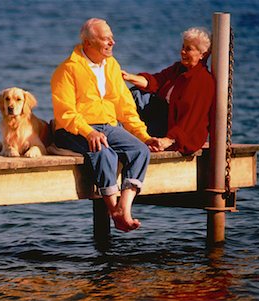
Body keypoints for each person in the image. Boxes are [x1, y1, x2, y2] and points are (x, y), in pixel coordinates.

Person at [51, 18, 160, 232]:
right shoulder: (66, 69)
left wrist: (144, 136)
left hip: (108, 126)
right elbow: (65, 112)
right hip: (72, 129)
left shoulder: (112, 65)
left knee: (139, 151)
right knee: (103, 152)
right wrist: (88, 132)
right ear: (89, 43)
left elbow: (125, 106)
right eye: (106, 39)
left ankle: (124, 209)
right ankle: (113, 211)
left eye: (111, 37)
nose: (112, 42)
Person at [122, 27, 215, 154]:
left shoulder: (202, 80)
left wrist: (169, 139)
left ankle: (122, 137)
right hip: (161, 116)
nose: (182, 52)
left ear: (202, 54)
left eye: (188, 49)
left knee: (137, 98)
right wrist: (128, 77)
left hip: (175, 130)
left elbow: (190, 120)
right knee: (134, 94)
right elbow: (155, 81)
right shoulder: (178, 69)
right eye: (183, 47)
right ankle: (116, 133)